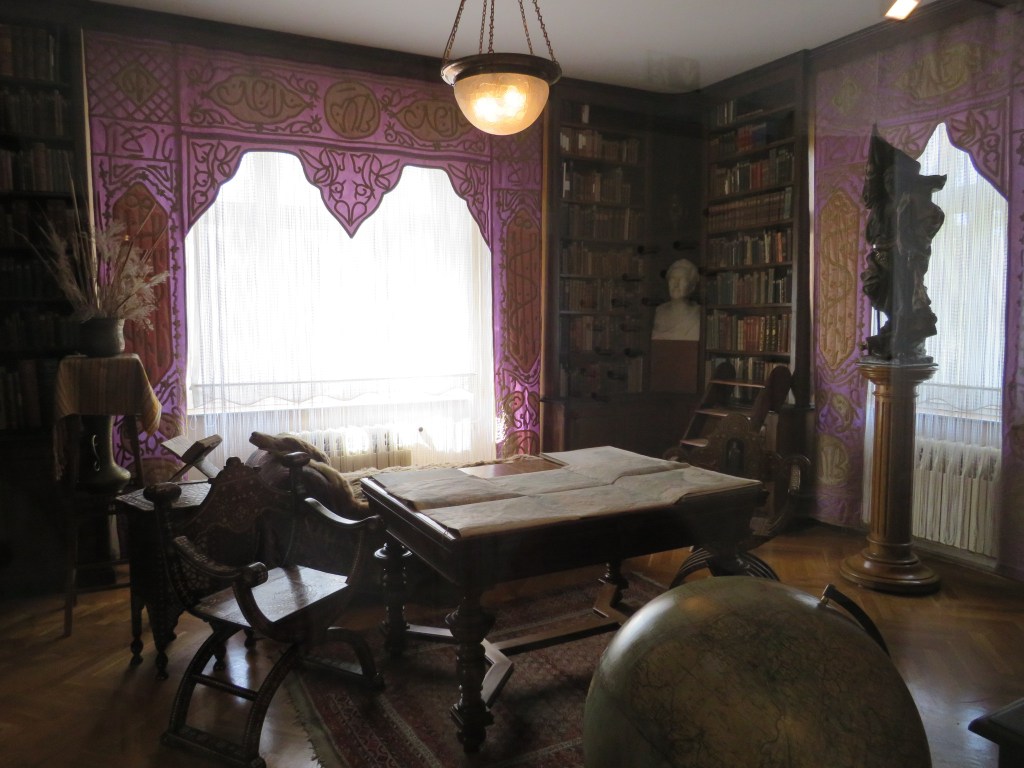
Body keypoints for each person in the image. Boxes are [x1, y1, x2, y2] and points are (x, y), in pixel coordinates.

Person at [652, 258, 700, 341]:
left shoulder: (698, 314)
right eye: (672, 279)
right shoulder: (659, 311)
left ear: (692, 287)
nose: (676, 284)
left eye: (682, 280)